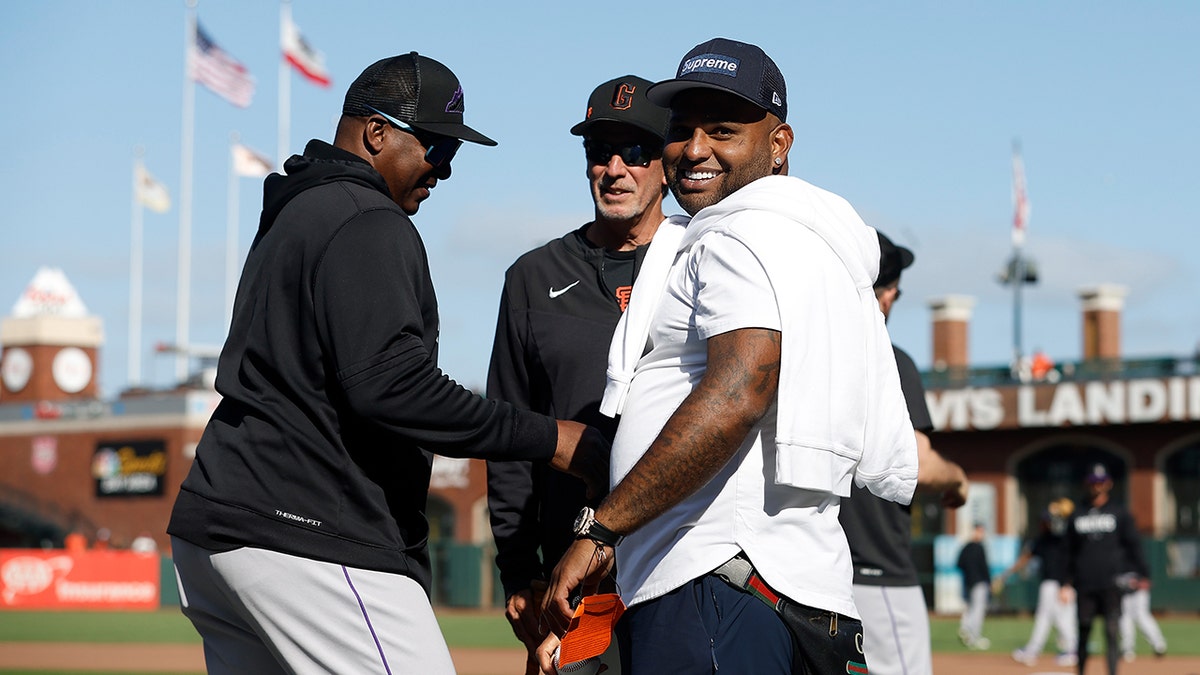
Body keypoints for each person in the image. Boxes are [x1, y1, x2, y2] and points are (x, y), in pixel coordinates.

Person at [166, 52, 607, 675]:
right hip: (311, 535)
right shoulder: (366, 216)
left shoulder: (301, 209)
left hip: (219, 530)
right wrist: (549, 437)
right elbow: (392, 385)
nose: (444, 170)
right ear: (376, 133)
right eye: (436, 147)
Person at [539, 37, 919, 674]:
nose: (693, 150)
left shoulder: (739, 232)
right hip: (791, 584)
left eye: (722, 130)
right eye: (681, 130)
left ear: (779, 145)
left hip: (717, 583)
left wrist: (601, 528)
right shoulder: (810, 237)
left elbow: (741, 389)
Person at [485, 74, 671, 675]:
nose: (614, 169)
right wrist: (520, 571)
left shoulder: (705, 262)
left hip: (683, 567)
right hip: (574, 588)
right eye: (599, 152)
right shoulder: (533, 276)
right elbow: (508, 435)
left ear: (667, 163)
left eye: (636, 152)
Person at [837, 231, 969, 675]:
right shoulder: (890, 360)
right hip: (877, 575)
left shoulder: (804, 353)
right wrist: (958, 480)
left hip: (810, 570)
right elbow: (921, 463)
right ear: (886, 294)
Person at [1061, 463, 1149, 675]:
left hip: (1111, 582)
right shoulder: (1077, 513)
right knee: (1083, 631)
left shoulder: (1119, 512)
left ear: (1108, 483)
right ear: (1086, 484)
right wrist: (1065, 582)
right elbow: (1068, 551)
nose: (1097, 486)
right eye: (1093, 482)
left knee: (1112, 631)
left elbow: (1133, 544)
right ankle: (1081, 672)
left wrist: (1143, 573)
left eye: (1101, 482)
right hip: (1085, 582)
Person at [999, 498, 1078, 667]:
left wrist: (1066, 586)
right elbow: (1025, 558)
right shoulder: (1044, 540)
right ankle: (1035, 651)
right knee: (1048, 619)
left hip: (1059, 585)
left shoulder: (1063, 539)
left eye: (1045, 520)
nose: (1042, 524)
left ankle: (1068, 650)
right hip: (1056, 585)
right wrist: (1005, 574)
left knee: (1057, 618)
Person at [956, 523, 992, 650]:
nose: (981, 534)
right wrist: (989, 581)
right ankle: (973, 636)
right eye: (979, 531)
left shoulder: (966, 547)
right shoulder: (977, 547)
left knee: (970, 607)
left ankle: (965, 629)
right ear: (975, 531)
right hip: (979, 582)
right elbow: (984, 567)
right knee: (978, 609)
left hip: (969, 582)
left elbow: (959, 564)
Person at [1118, 574, 1167, 662]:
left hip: (1139, 592)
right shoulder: (1118, 561)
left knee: (1142, 617)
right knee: (1125, 618)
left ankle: (1159, 645)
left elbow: (1145, 573)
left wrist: (1143, 581)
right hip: (1124, 592)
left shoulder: (1136, 561)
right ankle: (1127, 648)